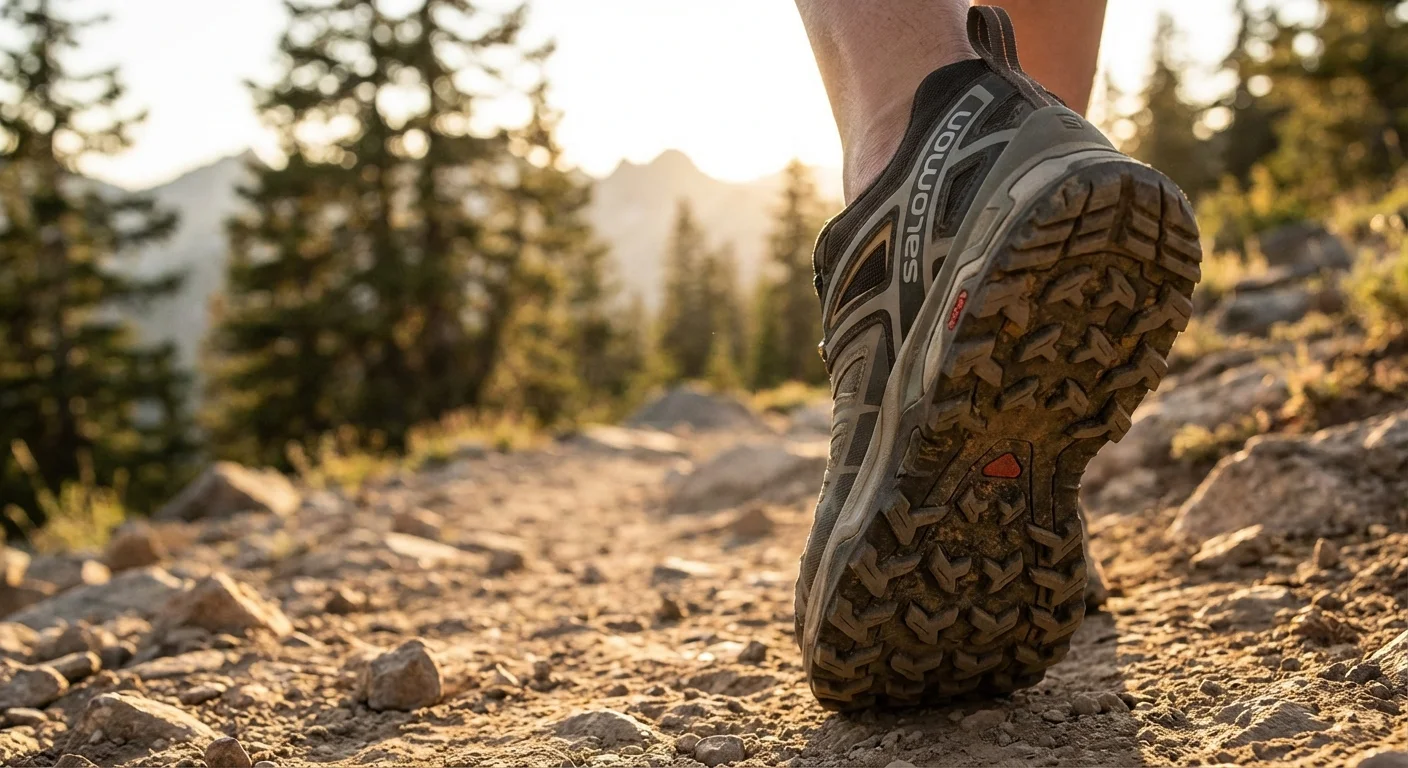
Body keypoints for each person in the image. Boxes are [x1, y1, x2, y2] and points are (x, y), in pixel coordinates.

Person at [790, 1, 1202, 710]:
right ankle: (1018, 164)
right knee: (1021, 176)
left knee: (906, 110)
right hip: (1033, 143)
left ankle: (915, 159)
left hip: (933, 175)